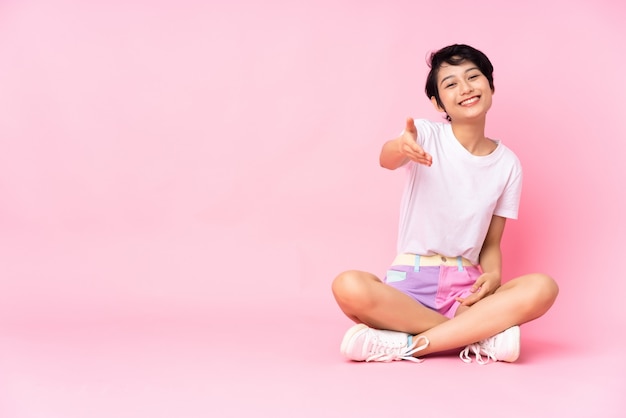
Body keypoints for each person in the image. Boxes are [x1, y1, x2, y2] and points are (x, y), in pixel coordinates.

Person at [331, 44, 559, 364]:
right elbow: (387, 158)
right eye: (451, 83)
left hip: (466, 293)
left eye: (473, 77)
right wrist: (401, 146)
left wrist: (493, 276)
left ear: (490, 85)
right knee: (349, 285)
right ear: (439, 102)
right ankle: (476, 337)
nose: (465, 88)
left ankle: (406, 345)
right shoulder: (425, 135)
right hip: (408, 287)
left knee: (542, 287)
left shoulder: (508, 164)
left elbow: (492, 242)